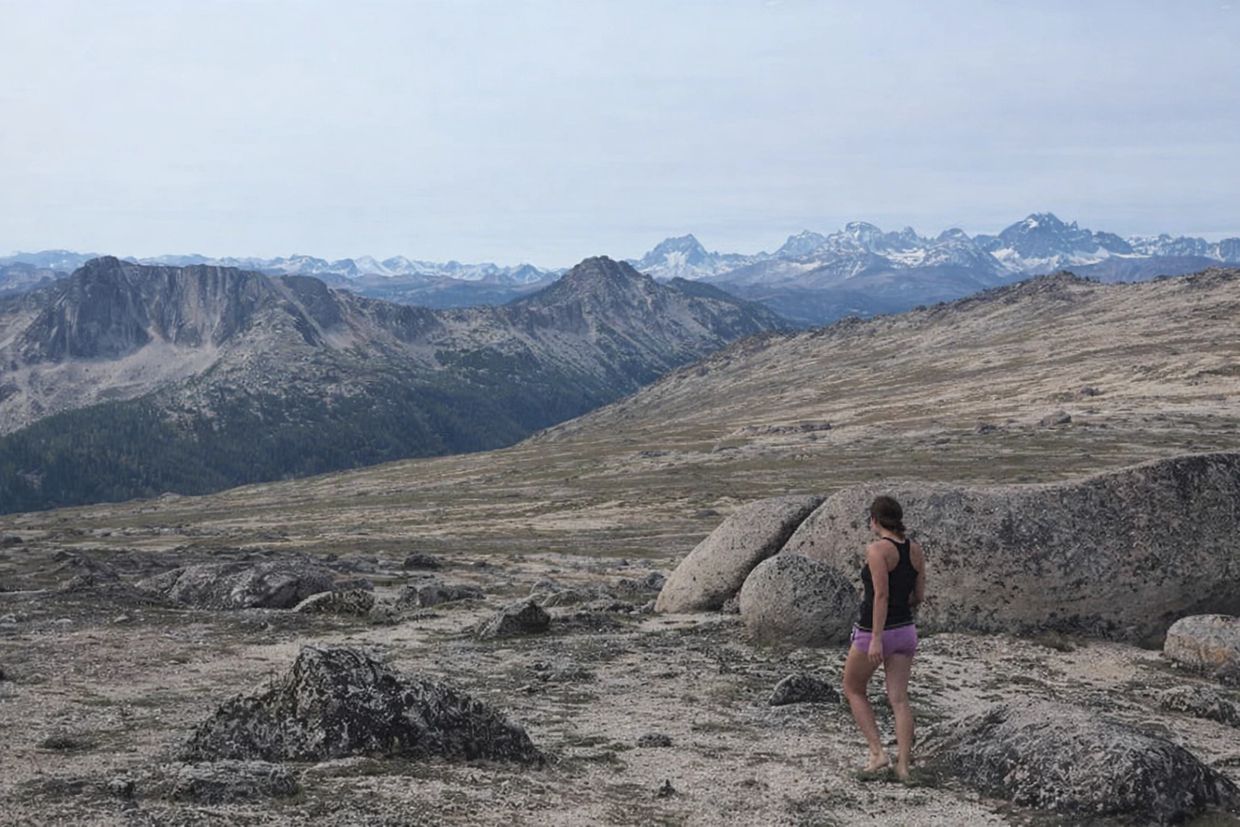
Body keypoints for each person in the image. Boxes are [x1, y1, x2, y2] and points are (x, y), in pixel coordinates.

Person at [842, 495, 925, 781]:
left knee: (853, 688)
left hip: (874, 632)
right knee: (899, 699)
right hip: (906, 631)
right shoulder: (916, 549)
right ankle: (903, 766)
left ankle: (878, 753)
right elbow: (919, 595)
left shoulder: (877, 550)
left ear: (874, 520)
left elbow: (881, 596)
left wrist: (876, 638)